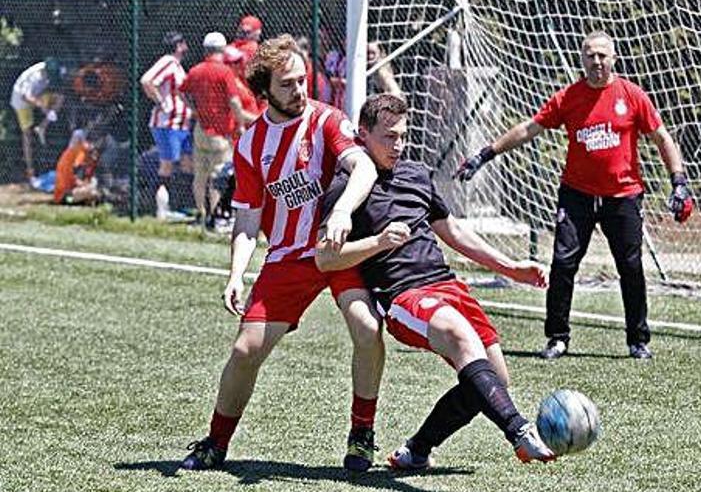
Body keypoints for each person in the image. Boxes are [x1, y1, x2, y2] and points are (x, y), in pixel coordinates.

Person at [316, 93, 556, 469]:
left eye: (402, 136)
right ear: (362, 135)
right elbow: (326, 258)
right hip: (404, 297)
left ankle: (417, 450)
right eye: (388, 137)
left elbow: (453, 231)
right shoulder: (347, 186)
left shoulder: (415, 174)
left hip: (447, 286)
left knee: (493, 382)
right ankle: (520, 431)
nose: (398, 146)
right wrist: (377, 243)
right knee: (460, 338)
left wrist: (510, 267)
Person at [181, 34, 384, 473]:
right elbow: (248, 222)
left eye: (302, 79)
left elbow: (363, 166)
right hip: (289, 258)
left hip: (338, 250)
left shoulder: (329, 121)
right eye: (288, 84)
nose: (300, 90)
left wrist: (343, 211)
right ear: (264, 91)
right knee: (244, 351)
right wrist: (236, 274)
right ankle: (216, 442)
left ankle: (362, 434)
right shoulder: (251, 144)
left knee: (368, 329)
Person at [456, 31, 694, 360]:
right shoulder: (569, 97)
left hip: (623, 196)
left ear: (614, 58)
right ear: (582, 59)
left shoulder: (632, 95)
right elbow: (529, 128)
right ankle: (557, 338)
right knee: (563, 265)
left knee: (631, 267)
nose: (596, 61)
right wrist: (485, 154)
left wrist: (678, 181)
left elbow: (662, 138)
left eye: (602, 55)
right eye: (590, 55)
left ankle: (638, 341)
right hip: (577, 196)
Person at [181, 32, 258, 227]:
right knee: (219, 177)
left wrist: (194, 110)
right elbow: (234, 103)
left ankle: (200, 214)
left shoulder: (196, 70)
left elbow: (182, 93)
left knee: (200, 176)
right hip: (221, 133)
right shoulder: (225, 72)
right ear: (222, 50)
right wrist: (245, 121)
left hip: (201, 129)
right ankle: (215, 218)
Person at [140, 31, 192, 219]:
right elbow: (147, 81)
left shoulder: (177, 66)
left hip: (181, 125)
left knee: (187, 163)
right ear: (177, 45)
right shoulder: (168, 62)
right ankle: (163, 209)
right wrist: (162, 102)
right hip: (167, 124)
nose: (186, 47)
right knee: (167, 165)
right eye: (183, 43)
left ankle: (181, 205)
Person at [9, 58, 66, 182]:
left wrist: (47, 109)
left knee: (60, 98)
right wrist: (42, 106)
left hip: (36, 95)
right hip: (21, 101)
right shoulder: (34, 77)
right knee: (27, 134)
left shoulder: (53, 69)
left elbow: (63, 75)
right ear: (45, 71)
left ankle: (42, 127)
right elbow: (25, 96)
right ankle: (30, 171)